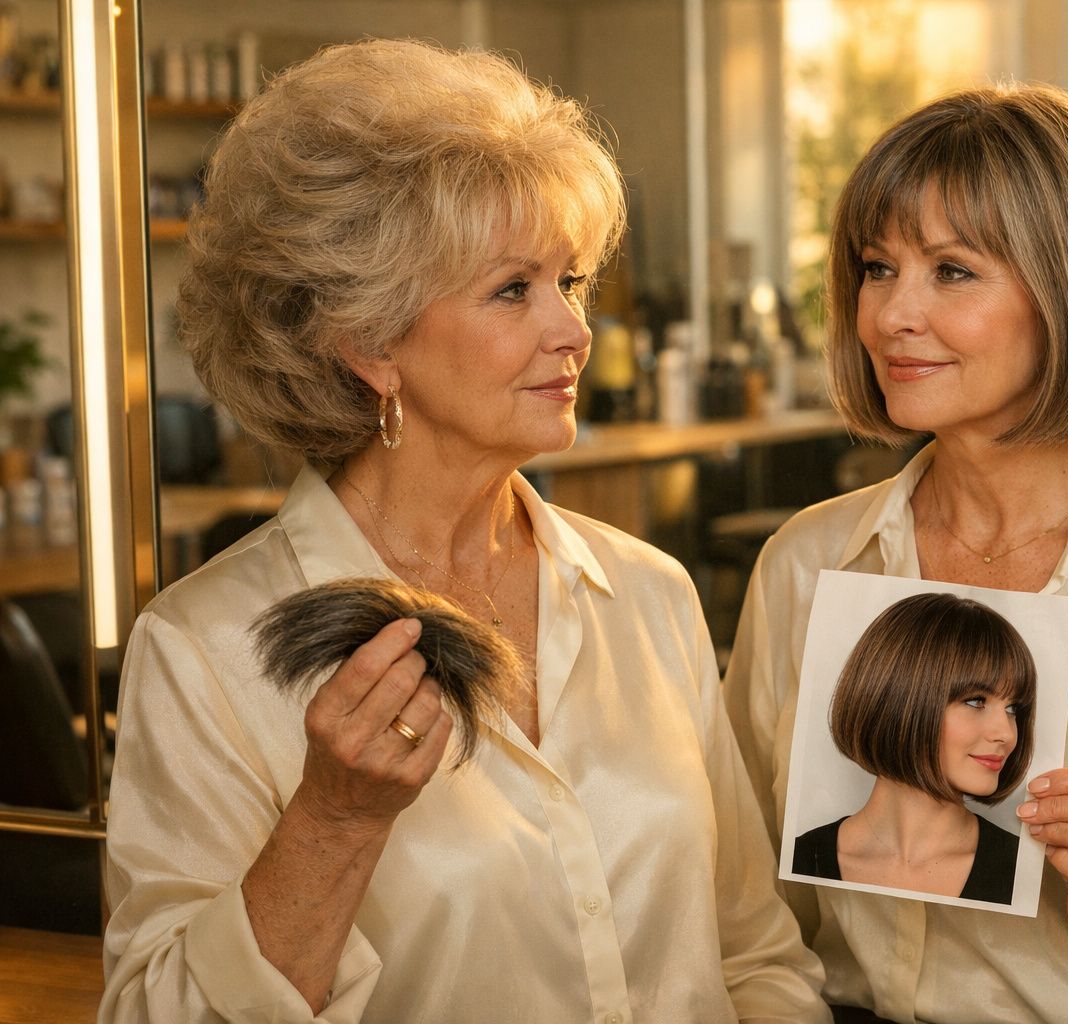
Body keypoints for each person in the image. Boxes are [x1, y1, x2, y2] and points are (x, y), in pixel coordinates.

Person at [99, 39, 827, 1024]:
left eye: (570, 282)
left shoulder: (647, 593)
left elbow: (756, 954)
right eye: (513, 289)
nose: (575, 330)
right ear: (369, 340)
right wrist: (332, 823)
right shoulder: (204, 652)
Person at [724, 84, 1068, 1024]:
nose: (892, 315)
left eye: (951, 272)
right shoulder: (807, 566)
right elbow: (744, 918)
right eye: (876, 267)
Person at [790, 592, 1035, 907]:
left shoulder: (1024, 874)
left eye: (1013, 708)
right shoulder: (801, 859)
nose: (1006, 734)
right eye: (976, 701)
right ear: (900, 698)